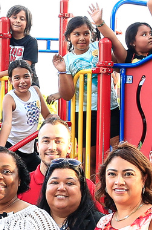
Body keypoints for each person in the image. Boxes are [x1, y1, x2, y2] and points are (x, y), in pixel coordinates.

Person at [53, 8, 126, 147]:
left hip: (109, 107)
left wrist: (100, 22)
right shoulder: (66, 60)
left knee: (116, 146)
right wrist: (62, 71)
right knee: (90, 155)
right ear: (69, 36)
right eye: (77, 34)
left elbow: (117, 61)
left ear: (91, 34)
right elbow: (67, 95)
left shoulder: (99, 47)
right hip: (84, 111)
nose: (82, 38)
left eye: (86, 33)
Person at [0, 61, 50, 172]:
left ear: (31, 76)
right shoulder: (10, 98)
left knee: (41, 175)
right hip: (14, 146)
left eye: (26, 76)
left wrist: (57, 121)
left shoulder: (35, 91)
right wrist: (1, 149)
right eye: (17, 78)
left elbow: (47, 115)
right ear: (11, 80)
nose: (22, 81)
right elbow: (7, 123)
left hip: (30, 147)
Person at [20, 116, 73, 205]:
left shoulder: (85, 186)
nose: (52, 147)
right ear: (37, 146)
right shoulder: (21, 186)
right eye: (46, 141)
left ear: (69, 147)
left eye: (58, 141)